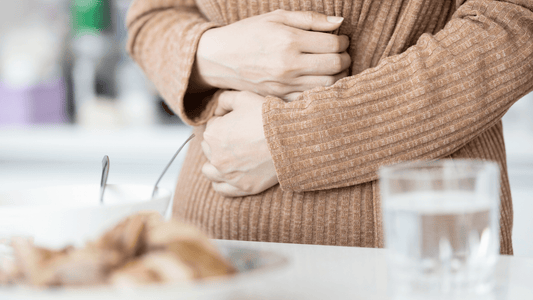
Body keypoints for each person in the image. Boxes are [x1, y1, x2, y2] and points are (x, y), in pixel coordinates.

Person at [126, 0, 533, 255]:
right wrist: (208, 52)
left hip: (417, 246)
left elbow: (517, 22)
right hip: (214, 242)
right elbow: (151, 16)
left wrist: (295, 139)